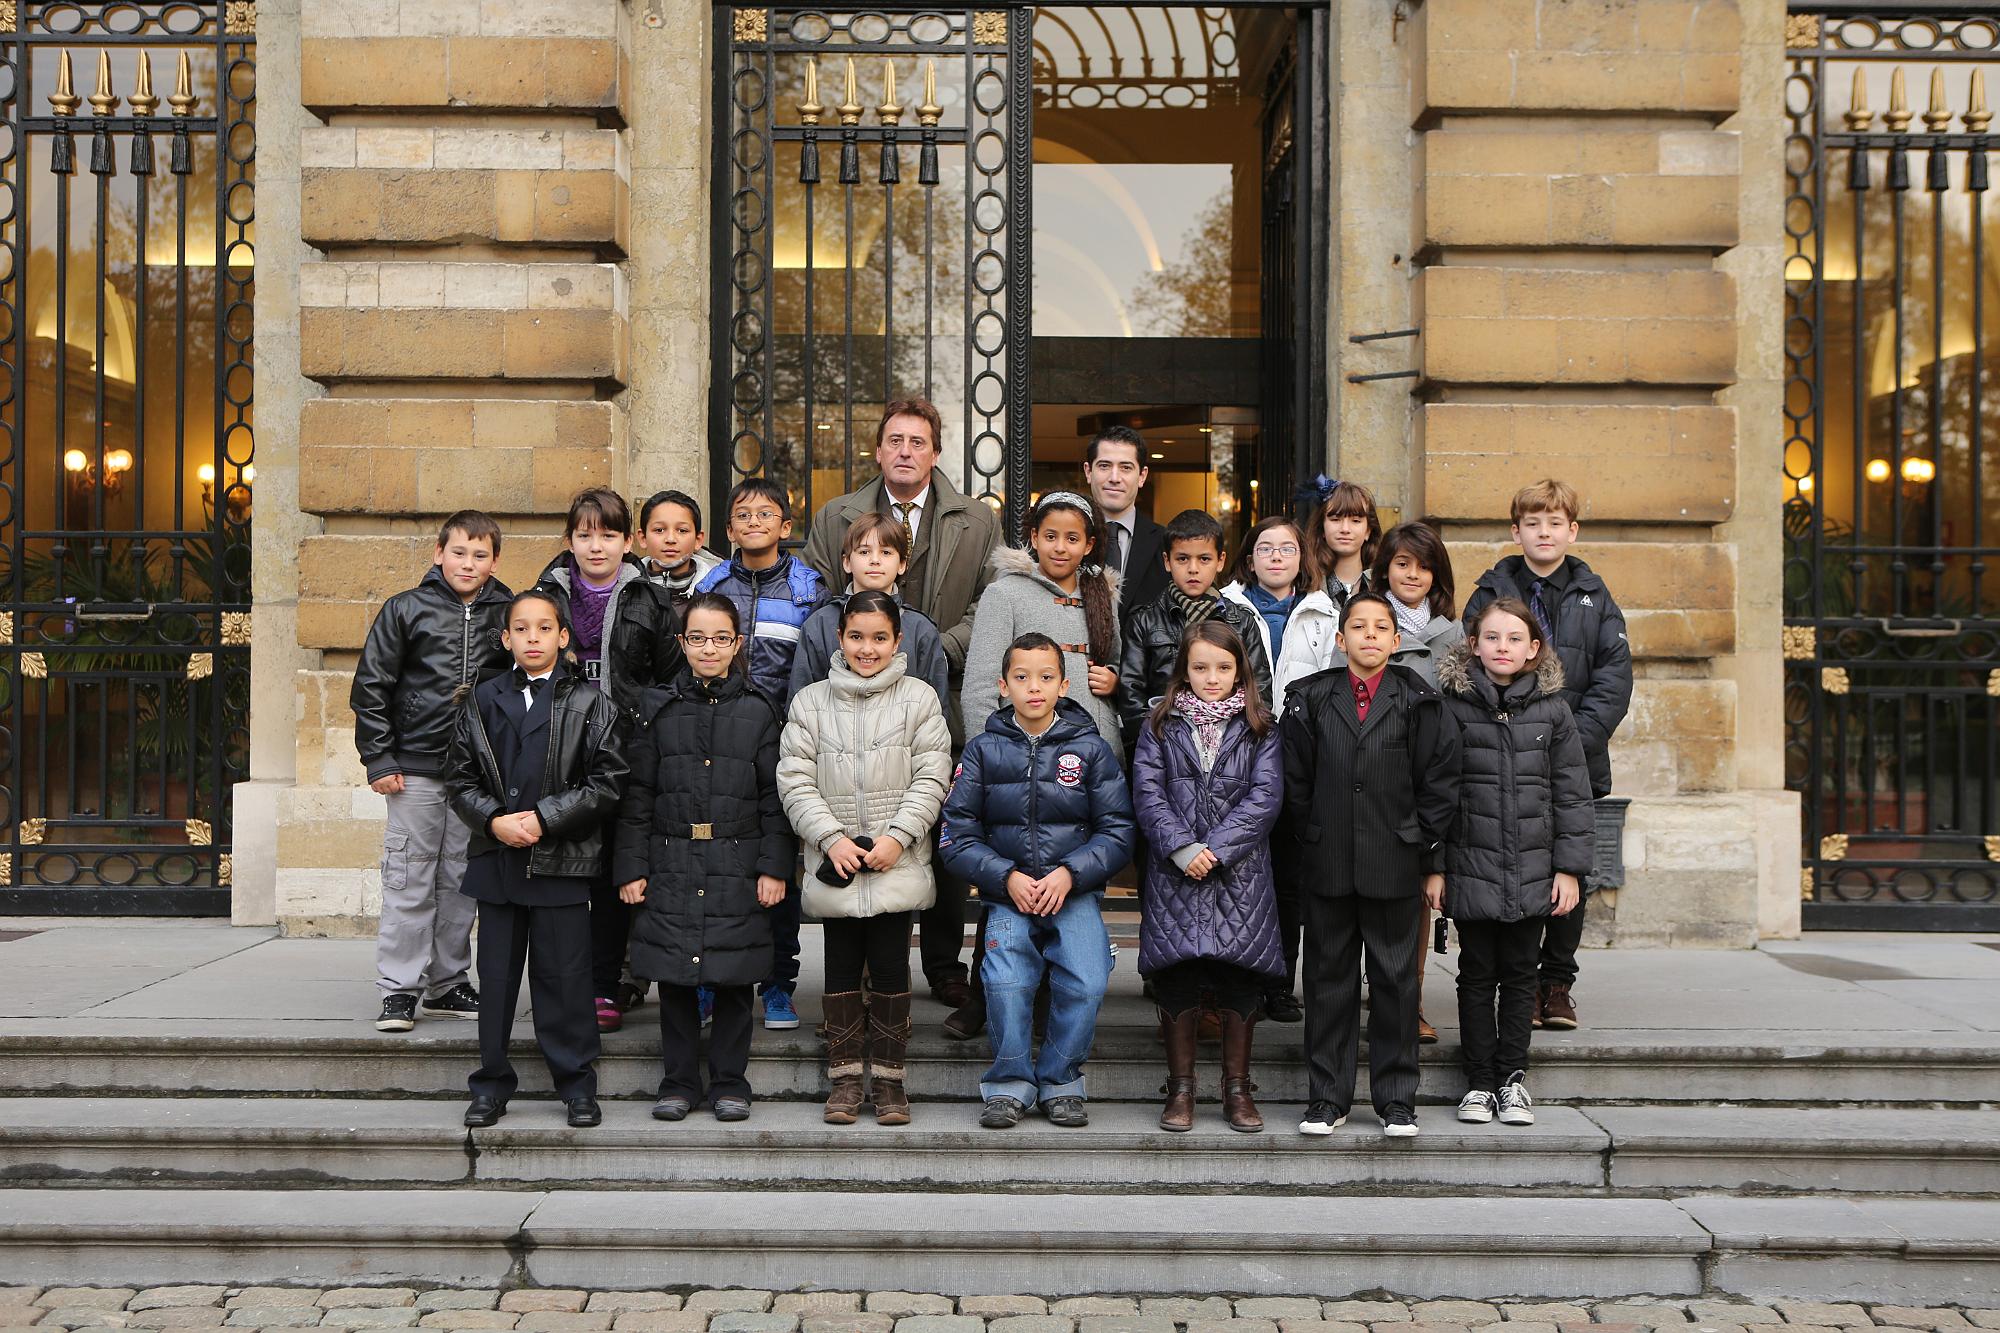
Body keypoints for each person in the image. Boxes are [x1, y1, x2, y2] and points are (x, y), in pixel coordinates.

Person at [801, 398, 1003, 1015]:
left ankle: (942, 964)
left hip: (938, 702)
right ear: (879, 449)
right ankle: (857, 966)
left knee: (936, 835)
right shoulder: (838, 515)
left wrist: (936, 647)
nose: (906, 451)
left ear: (935, 451)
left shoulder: (977, 520)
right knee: (855, 818)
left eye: (918, 441)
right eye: (895, 440)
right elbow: (814, 589)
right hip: (846, 706)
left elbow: (988, 605)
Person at [447, 588, 628, 1131]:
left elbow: (607, 781)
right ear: (505, 638)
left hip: (562, 861)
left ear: (563, 637)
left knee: (565, 979)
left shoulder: (591, 704)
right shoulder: (480, 699)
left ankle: (576, 1085)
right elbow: (459, 777)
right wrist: (494, 819)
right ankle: (492, 1083)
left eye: (544, 628)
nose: (532, 638)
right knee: (497, 980)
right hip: (497, 859)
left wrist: (546, 818)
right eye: (521, 629)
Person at [1282, 592, 1460, 1140]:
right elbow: (1295, 782)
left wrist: (1421, 844)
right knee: (1327, 981)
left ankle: (1396, 1099)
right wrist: (1314, 836)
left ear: (1397, 640)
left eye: (1381, 627)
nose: (1370, 636)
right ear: (1341, 640)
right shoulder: (1310, 699)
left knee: (1395, 983)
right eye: (1357, 627)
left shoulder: (1420, 700)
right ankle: (1327, 1097)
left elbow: (1440, 782)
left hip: (1395, 861)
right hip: (1330, 861)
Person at [940, 633, 1136, 1129]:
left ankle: (1061, 1080)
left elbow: (1119, 831)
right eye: (1022, 678)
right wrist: (1006, 878)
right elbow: (956, 836)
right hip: (1009, 896)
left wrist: (1071, 874)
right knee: (1005, 982)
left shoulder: (1090, 750)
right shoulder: (984, 752)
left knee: (1089, 980)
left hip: (1072, 892)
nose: (1034, 687)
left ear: (1064, 684)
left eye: (1046, 677)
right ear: (1003, 686)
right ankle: (1008, 1084)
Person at [613, 593, 792, 1123]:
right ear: (682, 643)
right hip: (671, 858)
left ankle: (731, 1081)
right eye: (697, 638)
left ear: (737, 643)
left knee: (736, 976)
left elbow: (774, 798)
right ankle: (679, 1082)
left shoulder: (759, 709)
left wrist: (774, 866)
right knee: (675, 976)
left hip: (738, 860)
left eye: (720, 638)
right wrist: (631, 868)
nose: (708, 648)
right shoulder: (657, 708)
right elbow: (637, 794)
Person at [1459, 479, 1631, 1031]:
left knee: (1567, 871)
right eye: (1533, 523)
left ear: (1572, 531)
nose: (1544, 532)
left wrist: (1566, 744)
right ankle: (1518, 983)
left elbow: (1614, 678)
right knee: (1508, 868)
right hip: (1500, 757)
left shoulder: (1595, 596)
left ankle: (1555, 982)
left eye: (1555, 523)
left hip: (1574, 758)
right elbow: (1470, 665)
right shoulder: (1489, 591)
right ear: (1517, 531)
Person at [780, 590, 953, 1126]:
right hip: (837, 860)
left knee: (890, 966)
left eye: (880, 638)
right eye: (856, 637)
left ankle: (892, 1082)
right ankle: (846, 1078)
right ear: (840, 638)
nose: (867, 648)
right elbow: (794, 778)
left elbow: (933, 772)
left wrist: (898, 837)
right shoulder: (810, 702)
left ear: (898, 640)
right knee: (838, 967)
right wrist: (830, 838)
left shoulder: (920, 699)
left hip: (893, 859)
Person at [1431, 600, 1594, 1128]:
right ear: (1473, 645)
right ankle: (1479, 1082)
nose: (1503, 647)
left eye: (1514, 638)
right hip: (1471, 864)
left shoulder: (1554, 711)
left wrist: (1568, 869)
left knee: (1522, 975)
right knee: (1476, 974)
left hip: (1533, 870)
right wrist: (1435, 867)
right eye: (1492, 637)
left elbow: (1573, 796)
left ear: (1533, 649)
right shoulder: (1450, 706)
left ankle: (1512, 1078)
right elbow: (1434, 794)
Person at [351, 511, 513, 1034]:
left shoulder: (507, 614)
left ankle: (448, 982)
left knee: (460, 881)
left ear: (494, 561)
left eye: (480, 555)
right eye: (459, 552)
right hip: (414, 769)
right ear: (438, 553)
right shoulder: (405, 609)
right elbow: (372, 686)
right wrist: (379, 757)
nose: (468, 563)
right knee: (409, 877)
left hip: (474, 774)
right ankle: (399, 989)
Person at [535, 487, 682, 1034]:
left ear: (628, 541)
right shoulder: (544, 596)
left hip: (626, 750)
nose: (597, 546)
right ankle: (564, 981)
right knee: (565, 872)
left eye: (609, 535)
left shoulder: (649, 598)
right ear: (570, 539)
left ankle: (605, 984)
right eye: (585, 534)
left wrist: (642, 720)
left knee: (615, 873)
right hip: (559, 751)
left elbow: (670, 680)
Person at [1131, 619, 1283, 1134]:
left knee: (1240, 978)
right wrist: (1181, 847)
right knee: (1178, 978)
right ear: (1184, 670)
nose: (1211, 677)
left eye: (1223, 667)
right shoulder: (1160, 724)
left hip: (1239, 874)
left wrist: (1215, 850)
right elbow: (1148, 795)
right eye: (1200, 667)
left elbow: (1265, 798)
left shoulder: (1260, 725)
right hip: (1176, 872)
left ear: (1240, 669)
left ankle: (1237, 1090)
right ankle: (1181, 1090)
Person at [697, 477, 830, 1031]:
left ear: (785, 525)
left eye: (766, 514)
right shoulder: (711, 584)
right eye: (743, 516)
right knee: (717, 868)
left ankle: (778, 983)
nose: (755, 523)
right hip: (718, 741)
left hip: (782, 745)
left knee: (780, 873)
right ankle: (709, 981)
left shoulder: (808, 590)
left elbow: (820, 665)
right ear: (729, 529)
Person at [1370, 520, 1467, 1044]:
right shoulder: (1368, 621)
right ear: (1385, 566)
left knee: (1414, 903)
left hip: (1422, 784)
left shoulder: (1452, 635)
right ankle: (1367, 997)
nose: (1412, 574)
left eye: (1423, 566)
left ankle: (1409, 1003)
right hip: (1369, 778)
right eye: (1402, 563)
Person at [961, 490, 1124, 752]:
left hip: (1098, 748)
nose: (1060, 547)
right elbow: (980, 687)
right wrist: (987, 757)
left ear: (1089, 545)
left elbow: (1116, 660)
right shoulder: (1004, 594)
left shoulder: (1101, 594)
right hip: (1023, 749)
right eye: (1050, 536)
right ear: (1035, 538)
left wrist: (1115, 680)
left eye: (1072, 538)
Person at [1118, 508, 1273, 745]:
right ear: (1166, 561)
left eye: (1204, 559)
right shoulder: (1145, 620)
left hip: (1231, 748)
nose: (1193, 568)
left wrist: (1236, 742)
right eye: (1182, 558)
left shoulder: (1240, 621)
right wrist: (1158, 745)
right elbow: (1131, 695)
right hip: (1164, 746)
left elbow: (1259, 690)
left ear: (1220, 560)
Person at [789, 513, 951, 711]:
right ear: (847, 562)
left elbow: (936, 711)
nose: (875, 560)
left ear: (902, 564)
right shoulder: (820, 624)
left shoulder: (921, 629)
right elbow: (799, 705)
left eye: (886, 552)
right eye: (864, 552)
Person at [1274, 477, 1384, 705]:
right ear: (1322, 527)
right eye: (1335, 519)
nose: (1345, 529)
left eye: (1355, 520)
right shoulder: (1301, 588)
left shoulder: (1384, 588)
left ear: (1368, 531)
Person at [1220, 516, 1308, 714]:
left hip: (1304, 733)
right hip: (1242, 730)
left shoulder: (1322, 615)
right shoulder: (1224, 610)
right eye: (1265, 549)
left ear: (1301, 560)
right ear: (1250, 562)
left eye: (1287, 549)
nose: (1276, 556)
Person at [1082, 423, 1168, 616]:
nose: (1114, 477)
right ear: (1088, 472)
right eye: (1104, 466)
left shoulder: (1167, 543)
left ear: (1142, 476)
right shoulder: (1065, 540)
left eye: (1126, 468)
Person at [635, 489, 723, 615]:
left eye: (682, 530)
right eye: (659, 530)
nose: (670, 539)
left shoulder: (719, 589)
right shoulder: (625, 588)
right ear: (643, 538)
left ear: (698, 540)